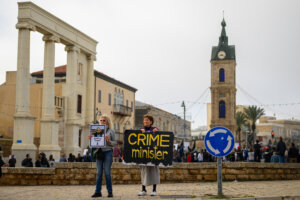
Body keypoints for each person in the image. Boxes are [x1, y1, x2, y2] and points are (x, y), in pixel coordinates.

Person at [89, 115, 116, 198]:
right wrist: (91, 140)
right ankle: (97, 192)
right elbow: (92, 146)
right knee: (99, 173)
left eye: (104, 120)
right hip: (99, 152)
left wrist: (108, 141)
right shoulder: (96, 130)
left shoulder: (111, 131)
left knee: (107, 173)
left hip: (108, 152)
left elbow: (115, 143)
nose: (102, 122)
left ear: (107, 121)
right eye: (101, 120)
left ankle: (110, 192)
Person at [138, 114, 160, 196]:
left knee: (154, 172)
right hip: (144, 155)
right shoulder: (141, 129)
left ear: (151, 122)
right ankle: (143, 190)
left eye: (147, 120)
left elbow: (159, 134)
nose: (145, 121)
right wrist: (141, 131)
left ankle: (154, 190)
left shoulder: (155, 129)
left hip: (153, 155)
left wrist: (156, 131)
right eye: (144, 120)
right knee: (144, 172)